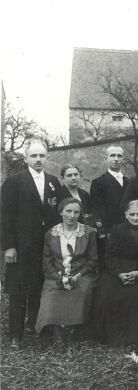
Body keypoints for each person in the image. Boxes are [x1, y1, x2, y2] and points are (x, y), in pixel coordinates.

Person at [1, 140, 62, 348]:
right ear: (26, 158)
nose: (38, 159)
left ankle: (35, 327)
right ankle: (16, 335)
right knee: (18, 290)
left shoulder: (53, 182)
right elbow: (5, 216)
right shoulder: (14, 181)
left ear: (47, 158)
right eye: (34, 156)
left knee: (39, 288)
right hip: (21, 246)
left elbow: (57, 214)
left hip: (44, 247)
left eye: (42, 156)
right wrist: (9, 246)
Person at [93, 200, 138, 347]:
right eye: (132, 214)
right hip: (119, 270)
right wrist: (119, 274)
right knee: (108, 291)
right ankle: (114, 337)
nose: (135, 218)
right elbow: (110, 256)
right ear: (125, 214)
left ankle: (137, 338)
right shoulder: (117, 229)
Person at [35, 198, 98, 339]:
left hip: (82, 275)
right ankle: (56, 331)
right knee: (52, 295)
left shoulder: (88, 233)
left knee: (82, 291)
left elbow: (92, 261)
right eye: (68, 211)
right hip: (56, 275)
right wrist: (59, 278)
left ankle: (75, 330)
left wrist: (76, 277)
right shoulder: (51, 234)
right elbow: (47, 262)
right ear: (61, 212)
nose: (72, 215)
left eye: (76, 212)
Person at [90, 146, 129, 267]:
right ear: (105, 158)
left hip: (129, 230)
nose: (116, 159)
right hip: (110, 233)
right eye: (112, 155)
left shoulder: (129, 181)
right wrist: (106, 232)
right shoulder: (98, 182)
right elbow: (97, 210)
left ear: (123, 159)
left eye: (119, 156)